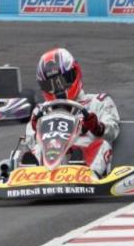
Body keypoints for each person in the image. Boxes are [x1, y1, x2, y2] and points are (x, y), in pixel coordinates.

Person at [25, 48, 120, 178]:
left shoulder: (98, 101)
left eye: (62, 81)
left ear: (75, 74)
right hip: (51, 155)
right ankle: (30, 173)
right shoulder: (41, 110)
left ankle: (88, 173)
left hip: (85, 153)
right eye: (50, 85)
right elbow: (30, 141)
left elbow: (113, 130)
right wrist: (37, 130)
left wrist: (97, 127)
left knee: (102, 144)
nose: (58, 88)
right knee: (37, 148)